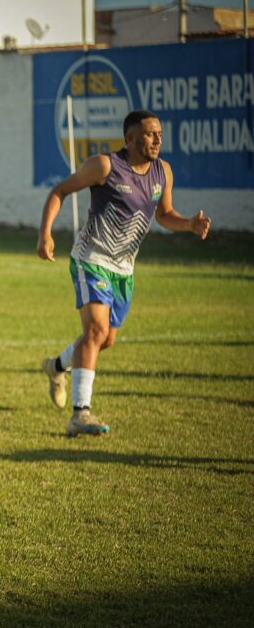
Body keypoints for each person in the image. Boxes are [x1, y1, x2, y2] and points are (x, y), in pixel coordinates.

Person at [37, 109, 211, 437]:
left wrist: (188, 224)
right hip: (91, 259)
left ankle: (56, 366)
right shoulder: (105, 166)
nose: (157, 138)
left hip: (124, 270)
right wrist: (45, 233)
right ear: (130, 139)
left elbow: (165, 213)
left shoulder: (163, 172)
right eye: (149, 133)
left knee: (106, 339)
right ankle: (80, 413)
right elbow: (59, 191)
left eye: (159, 132)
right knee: (95, 331)